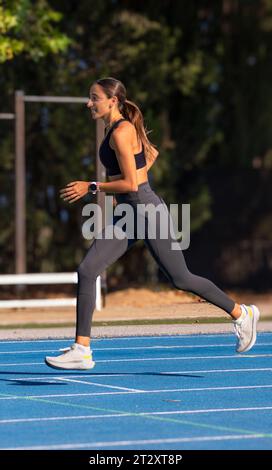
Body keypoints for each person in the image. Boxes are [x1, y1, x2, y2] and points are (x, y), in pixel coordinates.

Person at [45, 77, 260, 370]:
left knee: (181, 278)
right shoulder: (117, 130)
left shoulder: (121, 132)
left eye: (94, 98)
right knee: (87, 270)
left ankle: (241, 313)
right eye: (89, 97)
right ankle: (81, 349)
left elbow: (132, 183)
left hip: (146, 213)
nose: (88, 103)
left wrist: (91, 186)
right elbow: (150, 157)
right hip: (128, 216)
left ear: (112, 101)